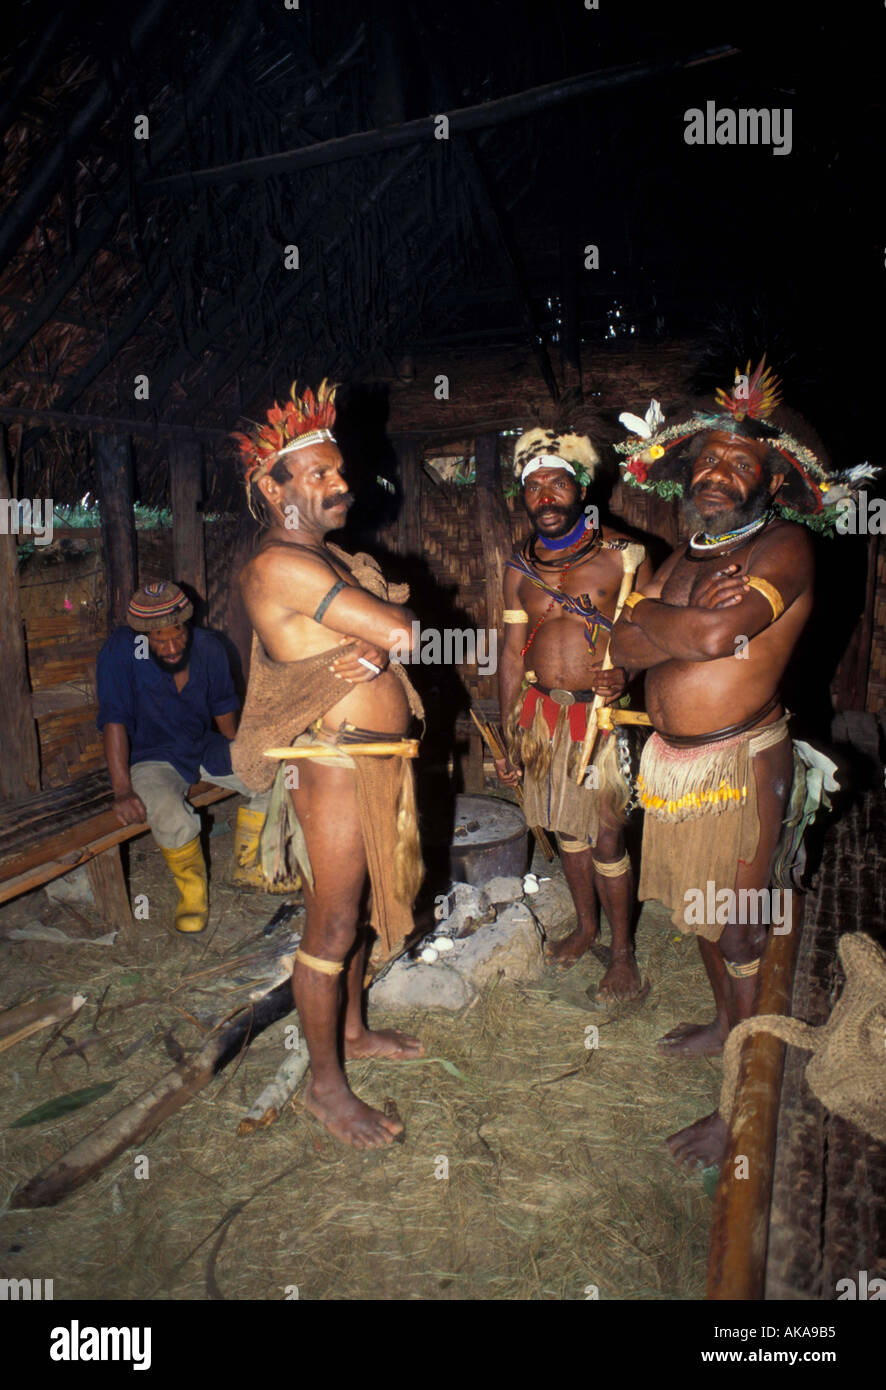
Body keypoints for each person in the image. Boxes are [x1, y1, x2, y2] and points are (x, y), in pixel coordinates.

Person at [609, 358, 872, 1167]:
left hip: (742, 765)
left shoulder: (786, 546)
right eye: (711, 459)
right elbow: (617, 650)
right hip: (673, 765)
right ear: (688, 471)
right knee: (699, 913)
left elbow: (719, 639)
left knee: (739, 926)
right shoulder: (682, 559)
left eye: (742, 464)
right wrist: (665, 615)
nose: (721, 472)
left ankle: (742, 1110)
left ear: (768, 483)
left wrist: (654, 620)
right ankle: (728, 1028)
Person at [231, 380, 426, 1150]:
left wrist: (377, 638)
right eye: (317, 475)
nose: (340, 484)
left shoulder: (327, 561)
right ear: (271, 487)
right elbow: (406, 628)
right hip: (330, 765)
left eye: (339, 471)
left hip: (367, 761)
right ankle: (324, 1087)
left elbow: (386, 634)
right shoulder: (282, 567)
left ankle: (352, 1031)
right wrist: (385, 632)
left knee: (364, 906)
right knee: (333, 921)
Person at [494, 426, 653, 1002]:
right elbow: (512, 652)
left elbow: (651, 635)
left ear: (581, 489)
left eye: (555, 483)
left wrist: (627, 674)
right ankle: (587, 928)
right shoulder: (518, 567)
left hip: (601, 719)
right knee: (566, 829)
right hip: (542, 717)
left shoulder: (623, 555)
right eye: (533, 486)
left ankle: (624, 955)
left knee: (607, 838)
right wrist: (510, 726)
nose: (544, 496)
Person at [96, 581, 285, 936]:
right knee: (168, 811)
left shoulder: (210, 649)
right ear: (142, 635)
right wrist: (122, 789)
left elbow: (225, 709)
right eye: (158, 639)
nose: (171, 647)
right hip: (152, 757)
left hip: (202, 746)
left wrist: (241, 756)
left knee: (271, 774)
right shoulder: (121, 652)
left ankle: (248, 864)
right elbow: (114, 719)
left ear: (188, 622)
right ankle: (193, 893)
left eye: (178, 633)